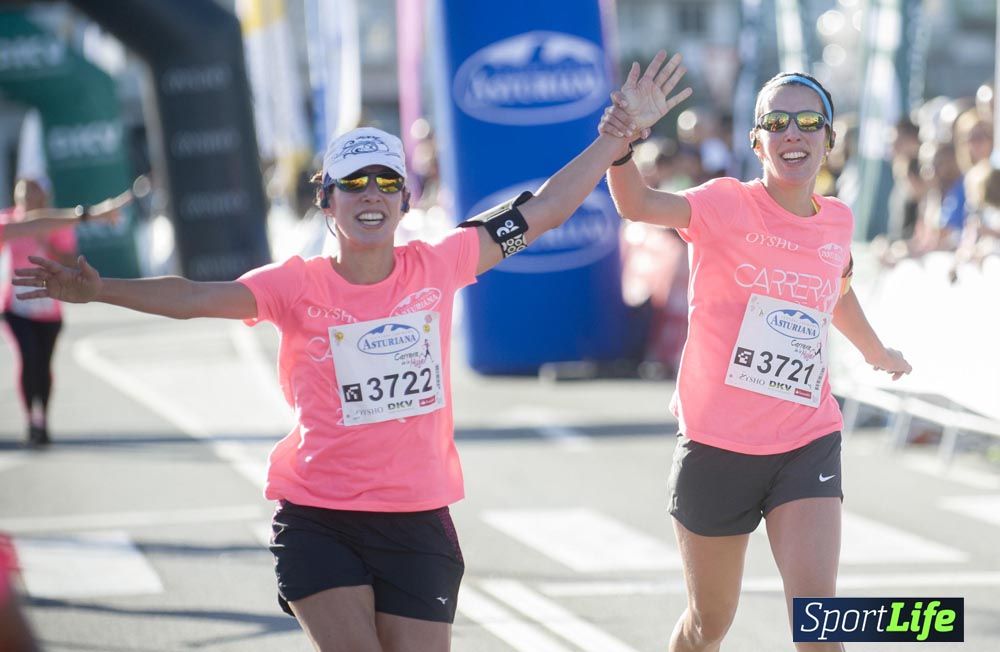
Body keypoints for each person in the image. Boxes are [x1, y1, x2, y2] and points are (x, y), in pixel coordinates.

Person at [13, 55, 690, 652]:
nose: (371, 196)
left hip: (419, 519)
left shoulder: (442, 262)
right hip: (318, 518)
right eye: (354, 184)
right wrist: (101, 289)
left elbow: (543, 209)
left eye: (386, 184)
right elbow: (194, 295)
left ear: (405, 198)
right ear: (326, 200)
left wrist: (616, 138)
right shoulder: (294, 286)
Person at [600, 64, 912, 651]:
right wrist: (623, 143)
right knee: (707, 626)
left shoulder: (837, 221)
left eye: (807, 123)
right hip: (718, 446)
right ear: (757, 140)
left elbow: (836, 292)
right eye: (777, 122)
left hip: (806, 438)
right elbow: (638, 205)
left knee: (820, 622)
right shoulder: (724, 204)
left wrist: (877, 351)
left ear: (828, 139)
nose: (793, 134)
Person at [1, 179, 129, 446]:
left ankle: (42, 418)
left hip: (48, 308)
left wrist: (91, 215)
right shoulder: (8, 221)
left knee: (43, 364)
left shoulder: (47, 223)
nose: (26, 198)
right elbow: (22, 227)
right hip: (16, 308)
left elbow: (41, 226)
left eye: (32, 192)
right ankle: (30, 420)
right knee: (28, 357)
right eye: (22, 192)